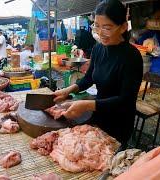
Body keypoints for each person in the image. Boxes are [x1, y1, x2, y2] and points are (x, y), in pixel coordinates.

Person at [53, 0, 143, 148]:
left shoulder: (131, 57)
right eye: (97, 26)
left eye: (107, 27)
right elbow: (89, 78)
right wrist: (67, 90)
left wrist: (86, 105)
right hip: (98, 115)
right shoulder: (98, 49)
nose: (100, 33)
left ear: (123, 27)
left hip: (119, 123)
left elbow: (125, 100)